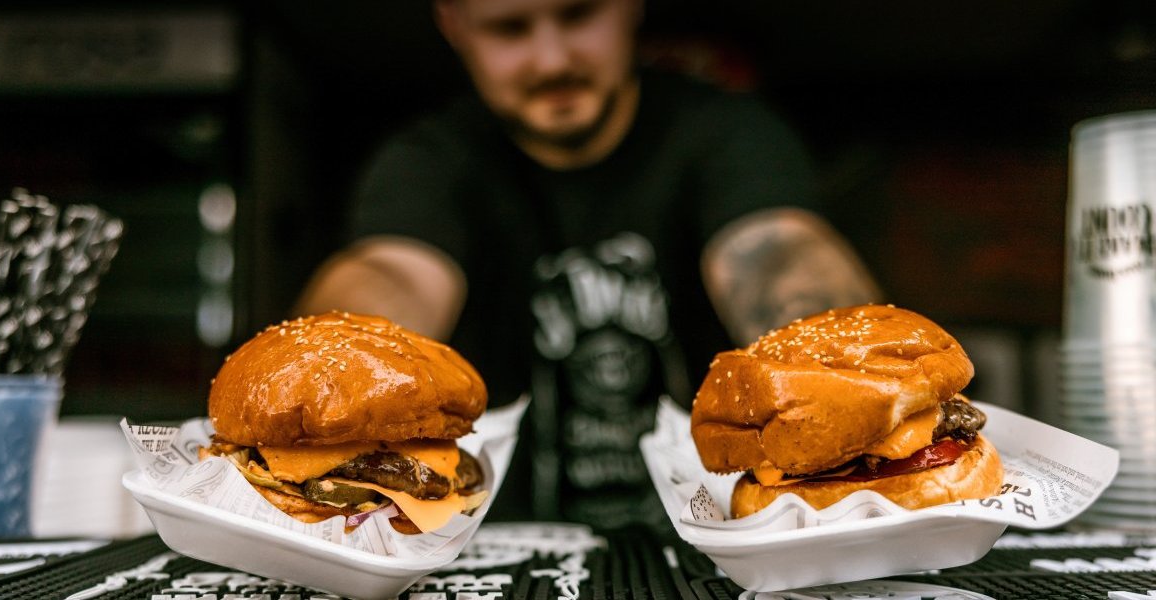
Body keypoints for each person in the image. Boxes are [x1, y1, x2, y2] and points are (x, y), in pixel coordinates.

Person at [294, 0, 881, 528]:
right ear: (453, 23)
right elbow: (397, 272)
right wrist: (336, 365)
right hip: (488, 543)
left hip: (722, 537)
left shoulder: (731, 134)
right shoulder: (428, 163)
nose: (552, 60)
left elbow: (773, 253)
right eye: (510, 28)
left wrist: (837, 364)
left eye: (579, 14)